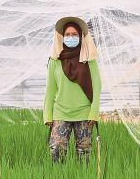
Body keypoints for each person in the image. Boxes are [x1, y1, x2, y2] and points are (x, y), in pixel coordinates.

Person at [43, 17, 102, 161]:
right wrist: (47, 115)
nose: (71, 37)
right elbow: (50, 90)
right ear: (62, 37)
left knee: (84, 153)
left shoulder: (89, 59)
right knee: (56, 150)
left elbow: (97, 86)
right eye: (67, 35)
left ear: (81, 37)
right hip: (61, 112)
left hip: (84, 113)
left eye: (74, 34)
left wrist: (94, 113)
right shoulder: (55, 60)